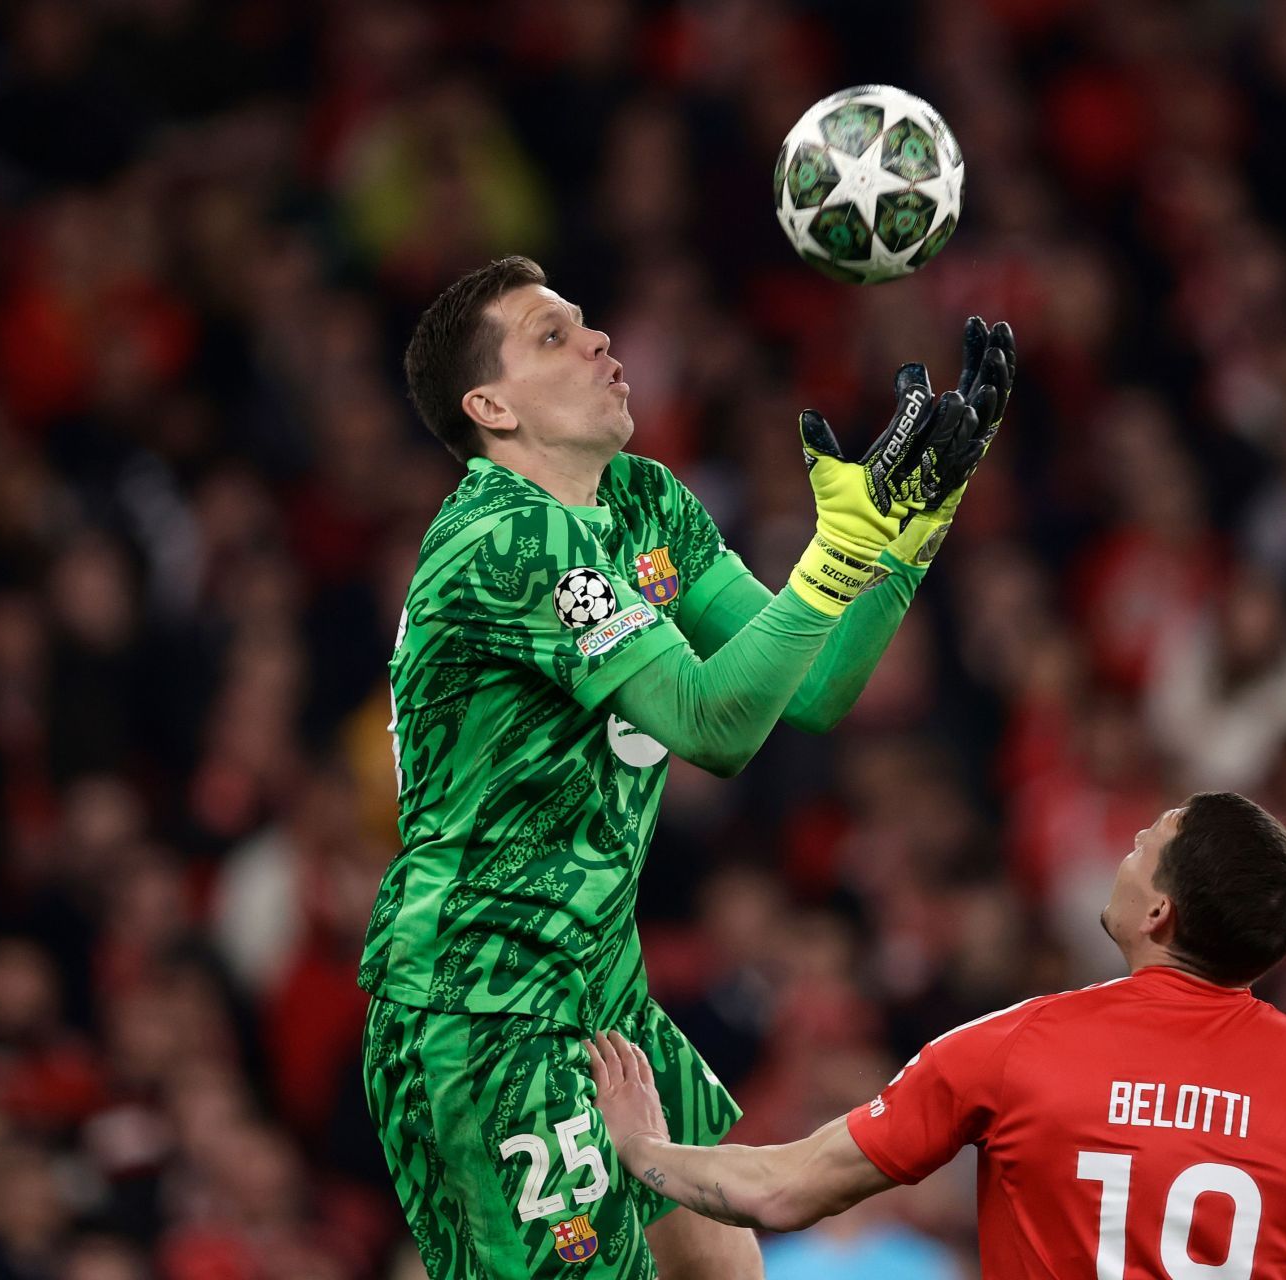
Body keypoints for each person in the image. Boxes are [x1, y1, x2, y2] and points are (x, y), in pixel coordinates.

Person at [360, 253, 1015, 1280]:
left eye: (585, 321)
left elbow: (810, 688)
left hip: (598, 982)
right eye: (552, 336)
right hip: (481, 1005)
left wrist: (903, 535)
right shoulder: (501, 539)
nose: (599, 340)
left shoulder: (644, 503)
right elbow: (713, 725)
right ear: (490, 406)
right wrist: (834, 553)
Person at [589, 791, 1286, 1280]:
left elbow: (784, 1190)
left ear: (1159, 912)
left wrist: (644, 1152)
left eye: (1141, 846)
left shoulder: (1018, 1047)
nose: (1122, 851)